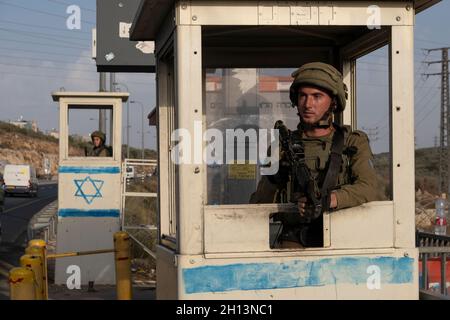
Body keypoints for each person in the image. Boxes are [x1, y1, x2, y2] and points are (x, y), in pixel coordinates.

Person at [250, 62, 383, 248]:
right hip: (293, 240)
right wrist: (273, 180)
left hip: (340, 239)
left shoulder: (352, 142)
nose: (308, 104)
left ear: (333, 102)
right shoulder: (281, 146)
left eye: (317, 96)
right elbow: (258, 204)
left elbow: (369, 188)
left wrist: (330, 200)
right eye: (303, 96)